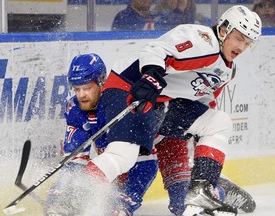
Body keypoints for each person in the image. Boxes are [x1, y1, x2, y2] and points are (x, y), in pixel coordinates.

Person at [81, 5, 262, 216]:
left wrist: (201, 144)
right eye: (239, 38)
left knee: (218, 122)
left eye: (247, 43)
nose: (241, 47)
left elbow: (205, 103)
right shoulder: (202, 40)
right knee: (124, 156)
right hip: (129, 85)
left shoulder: (226, 71)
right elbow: (156, 50)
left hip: (163, 102)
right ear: (223, 30)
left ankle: (200, 189)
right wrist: (151, 75)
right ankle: (76, 195)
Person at [45, 53, 158, 216]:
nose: (81, 95)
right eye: (77, 89)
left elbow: (146, 162)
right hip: (106, 168)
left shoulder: (119, 101)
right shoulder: (75, 109)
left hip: (138, 164)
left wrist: (123, 205)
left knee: (114, 211)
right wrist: (58, 196)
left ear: (102, 81)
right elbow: (75, 161)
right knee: (71, 199)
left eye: (87, 88)